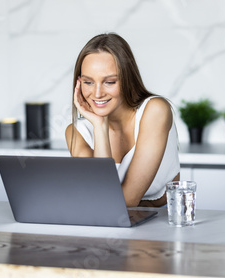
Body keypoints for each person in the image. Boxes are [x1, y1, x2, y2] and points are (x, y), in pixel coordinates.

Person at [65, 33, 180, 207]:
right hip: (105, 228)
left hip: (161, 229)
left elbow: (127, 201)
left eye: (109, 82)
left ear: (128, 79)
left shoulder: (155, 110)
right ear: (79, 84)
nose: (97, 93)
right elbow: (101, 196)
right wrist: (100, 125)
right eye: (88, 82)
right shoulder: (76, 132)